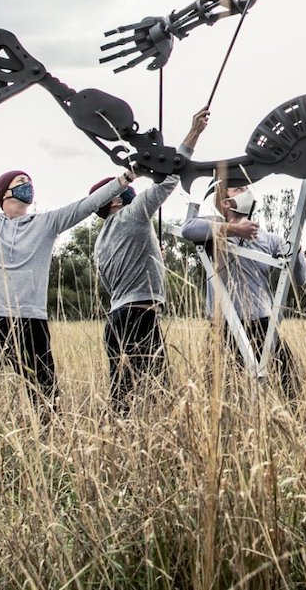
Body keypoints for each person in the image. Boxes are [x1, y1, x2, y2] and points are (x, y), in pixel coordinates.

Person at [0, 108, 129, 407]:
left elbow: (85, 206)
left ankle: (48, 436)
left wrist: (123, 180)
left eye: (29, 181)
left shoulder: (46, 224)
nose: (27, 184)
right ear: (5, 192)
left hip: (30, 321)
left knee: (44, 397)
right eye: (21, 181)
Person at [90, 107, 210, 411]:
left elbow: (112, 279)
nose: (130, 191)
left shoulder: (101, 240)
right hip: (140, 318)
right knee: (160, 392)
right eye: (125, 190)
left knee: (123, 399)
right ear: (114, 200)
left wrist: (152, 257)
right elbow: (169, 179)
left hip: (116, 320)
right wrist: (193, 132)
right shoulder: (132, 214)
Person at [180, 183, 306, 400]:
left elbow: (300, 279)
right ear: (225, 202)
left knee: (288, 381)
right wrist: (234, 229)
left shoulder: (269, 239)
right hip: (222, 325)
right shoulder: (213, 228)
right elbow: (187, 229)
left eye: (246, 187)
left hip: (260, 322)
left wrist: (296, 251)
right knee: (220, 391)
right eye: (237, 188)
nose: (245, 191)